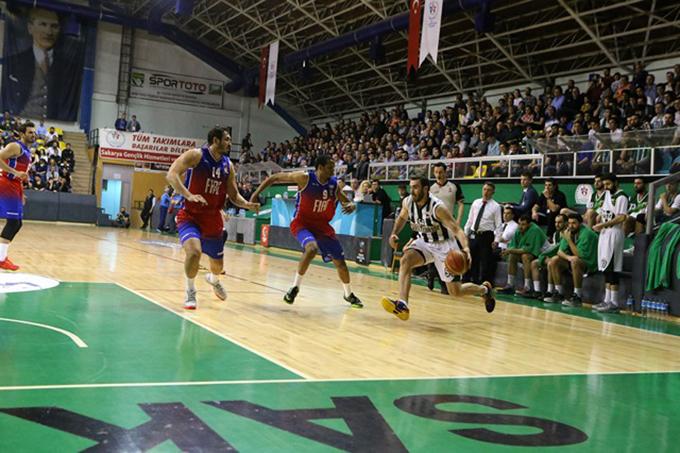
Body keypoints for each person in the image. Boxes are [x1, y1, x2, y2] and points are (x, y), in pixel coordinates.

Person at [249, 154, 363, 308]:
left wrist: (351, 205)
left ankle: (348, 294)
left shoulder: (333, 185)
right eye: (330, 167)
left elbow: (345, 201)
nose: (333, 171)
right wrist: (255, 195)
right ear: (320, 167)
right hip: (302, 224)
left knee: (340, 263)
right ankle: (295, 287)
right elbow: (274, 178)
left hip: (323, 227)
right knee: (311, 248)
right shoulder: (304, 178)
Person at [166, 127, 259, 310]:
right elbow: (172, 174)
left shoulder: (228, 166)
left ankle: (213, 279)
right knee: (194, 252)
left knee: (217, 267)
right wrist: (188, 194)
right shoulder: (196, 155)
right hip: (190, 216)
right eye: (227, 139)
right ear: (215, 140)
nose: (230, 143)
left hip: (212, 219)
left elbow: (233, 195)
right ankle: (190, 291)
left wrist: (246, 204)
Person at [382, 176, 495, 321]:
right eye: (411, 187)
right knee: (405, 260)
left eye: (416, 187)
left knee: (455, 291)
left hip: (445, 247)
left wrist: (466, 248)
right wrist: (394, 234)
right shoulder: (408, 202)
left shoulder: (437, 207)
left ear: (425, 189)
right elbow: (402, 218)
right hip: (425, 242)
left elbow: (457, 230)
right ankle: (403, 304)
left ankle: (484, 289)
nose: (412, 191)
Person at [1, 8, 85, 120]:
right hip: (22, 120)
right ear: (30, 27)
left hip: (54, 123)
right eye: (43, 24)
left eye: (54, 26)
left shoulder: (70, 67)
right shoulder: (14, 61)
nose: (48, 32)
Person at [0, 121, 36, 270]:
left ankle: (2, 257)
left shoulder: (27, 150)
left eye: (34, 133)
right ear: (22, 134)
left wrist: (21, 191)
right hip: (6, 183)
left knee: (17, 223)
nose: (33, 135)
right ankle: (1, 259)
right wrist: (15, 173)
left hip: (15, 185)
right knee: (13, 222)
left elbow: (20, 173)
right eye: (30, 132)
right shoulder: (15, 146)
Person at [592, 174, 628, 313]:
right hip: (605, 233)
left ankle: (614, 302)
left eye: (608, 184)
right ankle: (606, 300)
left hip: (614, 233)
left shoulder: (621, 197)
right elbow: (604, 211)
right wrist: (600, 218)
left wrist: (603, 224)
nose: (606, 187)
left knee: (613, 269)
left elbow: (621, 217)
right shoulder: (607, 194)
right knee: (606, 268)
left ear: (616, 183)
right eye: (604, 184)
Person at [544, 214, 598, 305]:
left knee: (575, 261)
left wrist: (569, 240)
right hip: (574, 260)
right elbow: (560, 252)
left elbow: (579, 255)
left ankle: (577, 296)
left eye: (574, 223)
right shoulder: (570, 231)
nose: (571, 226)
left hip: (589, 263)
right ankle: (559, 293)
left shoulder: (587, 234)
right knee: (554, 260)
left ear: (580, 223)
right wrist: (568, 257)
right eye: (569, 223)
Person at [428, 162, 465, 293]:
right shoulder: (430, 188)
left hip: (449, 225)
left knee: (448, 254)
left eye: (441, 172)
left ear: (445, 172)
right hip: (433, 225)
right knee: (433, 252)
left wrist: (458, 221)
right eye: (436, 172)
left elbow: (461, 204)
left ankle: (445, 283)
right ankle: (431, 276)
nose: (438, 174)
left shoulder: (454, 186)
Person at [499, 215, 550, 296]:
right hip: (531, 253)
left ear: (529, 224)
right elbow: (513, 247)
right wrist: (508, 251)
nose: (520, 226)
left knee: (525, 256)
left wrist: (510, 250)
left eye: (523, 224)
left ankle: (527, 287)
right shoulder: (518, 230)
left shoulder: (535, 230)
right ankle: (510, 285)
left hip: (544, 254)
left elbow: (528, 250)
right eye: (519, 224)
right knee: (512, 256)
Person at [464, 182, 502, 284]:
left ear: (493, 192)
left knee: (485, 260)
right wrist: (465, 233)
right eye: (484, 189)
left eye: (489, 190)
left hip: (486, 235)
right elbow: (470, 219)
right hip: (474, 233)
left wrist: (497, 240)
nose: (486, 192)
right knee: (470, 257)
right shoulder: (476, 202)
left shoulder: (496, 206)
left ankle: (484, 284)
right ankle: (468, 280)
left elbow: (498, 225)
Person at [529, 213, 568, 299]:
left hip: (566, 260)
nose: (557, 224)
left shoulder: (568, 233)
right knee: (534, 263)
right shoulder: (556, 234)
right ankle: (537, 291)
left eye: (560, 222)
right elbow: (553, 248)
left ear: (566, 223)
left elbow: (560, 249)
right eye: (556, 222)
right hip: (556, 257)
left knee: (551, 261)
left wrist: (543, 255)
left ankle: (553, 291)